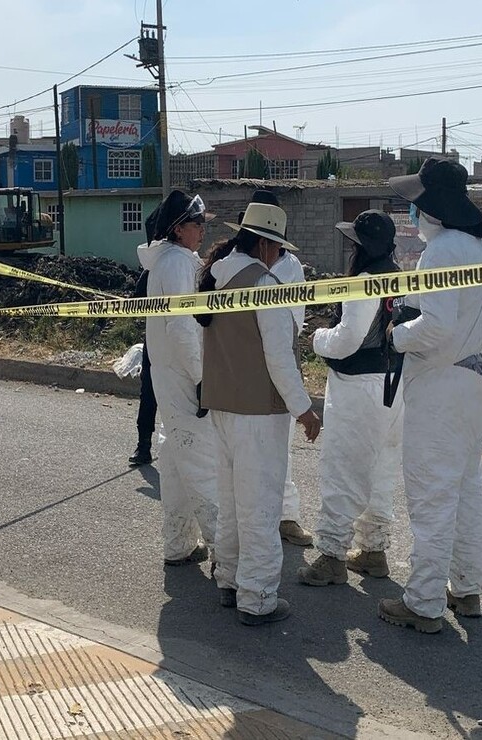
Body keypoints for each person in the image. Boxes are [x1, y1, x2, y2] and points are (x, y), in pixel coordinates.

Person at [380, 158, 482, 634]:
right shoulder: (477, 246)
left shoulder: (440, 252)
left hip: (440, 386)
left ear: (431, 205)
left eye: (416, 204)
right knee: (465, 490)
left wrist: (397, 335)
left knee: (431, 496)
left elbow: (435, 327)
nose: (412, 213)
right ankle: (466, 588)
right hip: (472, 381)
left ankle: (423, 602)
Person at [199, 201, 321, 625]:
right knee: (261, 508)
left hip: (222, 405)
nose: (280, 256)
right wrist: (305, 410)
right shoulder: (264, 285)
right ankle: (258, 597)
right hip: (258, 413)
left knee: (232, 501)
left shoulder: (217, 277)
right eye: (279, 249)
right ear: (267, 245)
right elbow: (280, 359)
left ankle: (229, 579)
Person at [297, 210, 405, 588]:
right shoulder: (400, 275)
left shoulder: (363, 281)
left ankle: (331, 556)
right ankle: (374, 551)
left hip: (358, 387)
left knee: (343, 469)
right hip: (394, 382)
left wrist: (317, 339)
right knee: (381, 468)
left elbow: (347, 340)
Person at [136, 190, 218, 567]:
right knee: (202, 462)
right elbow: (182, 328)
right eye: (198, 225)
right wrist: (202, 378)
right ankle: (229, 558)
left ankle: (179, 543)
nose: (203, 231)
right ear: (179, 228)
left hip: (170, 373)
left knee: (174, 458)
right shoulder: (177, 264)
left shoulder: (171, 261)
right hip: (183, 375)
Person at [254, 191, 314, 548]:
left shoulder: (290, 268)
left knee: (281, 448)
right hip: (245, 367)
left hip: (278, 362)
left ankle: (286, 517)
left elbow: (294, 322)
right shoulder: (236, 263)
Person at [128, 269, 157, 467]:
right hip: (156, 339)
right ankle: (144, 445)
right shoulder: (153, 269)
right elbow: (137, 298)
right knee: (148, 392)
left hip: (188, 341)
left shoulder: (192, 266)